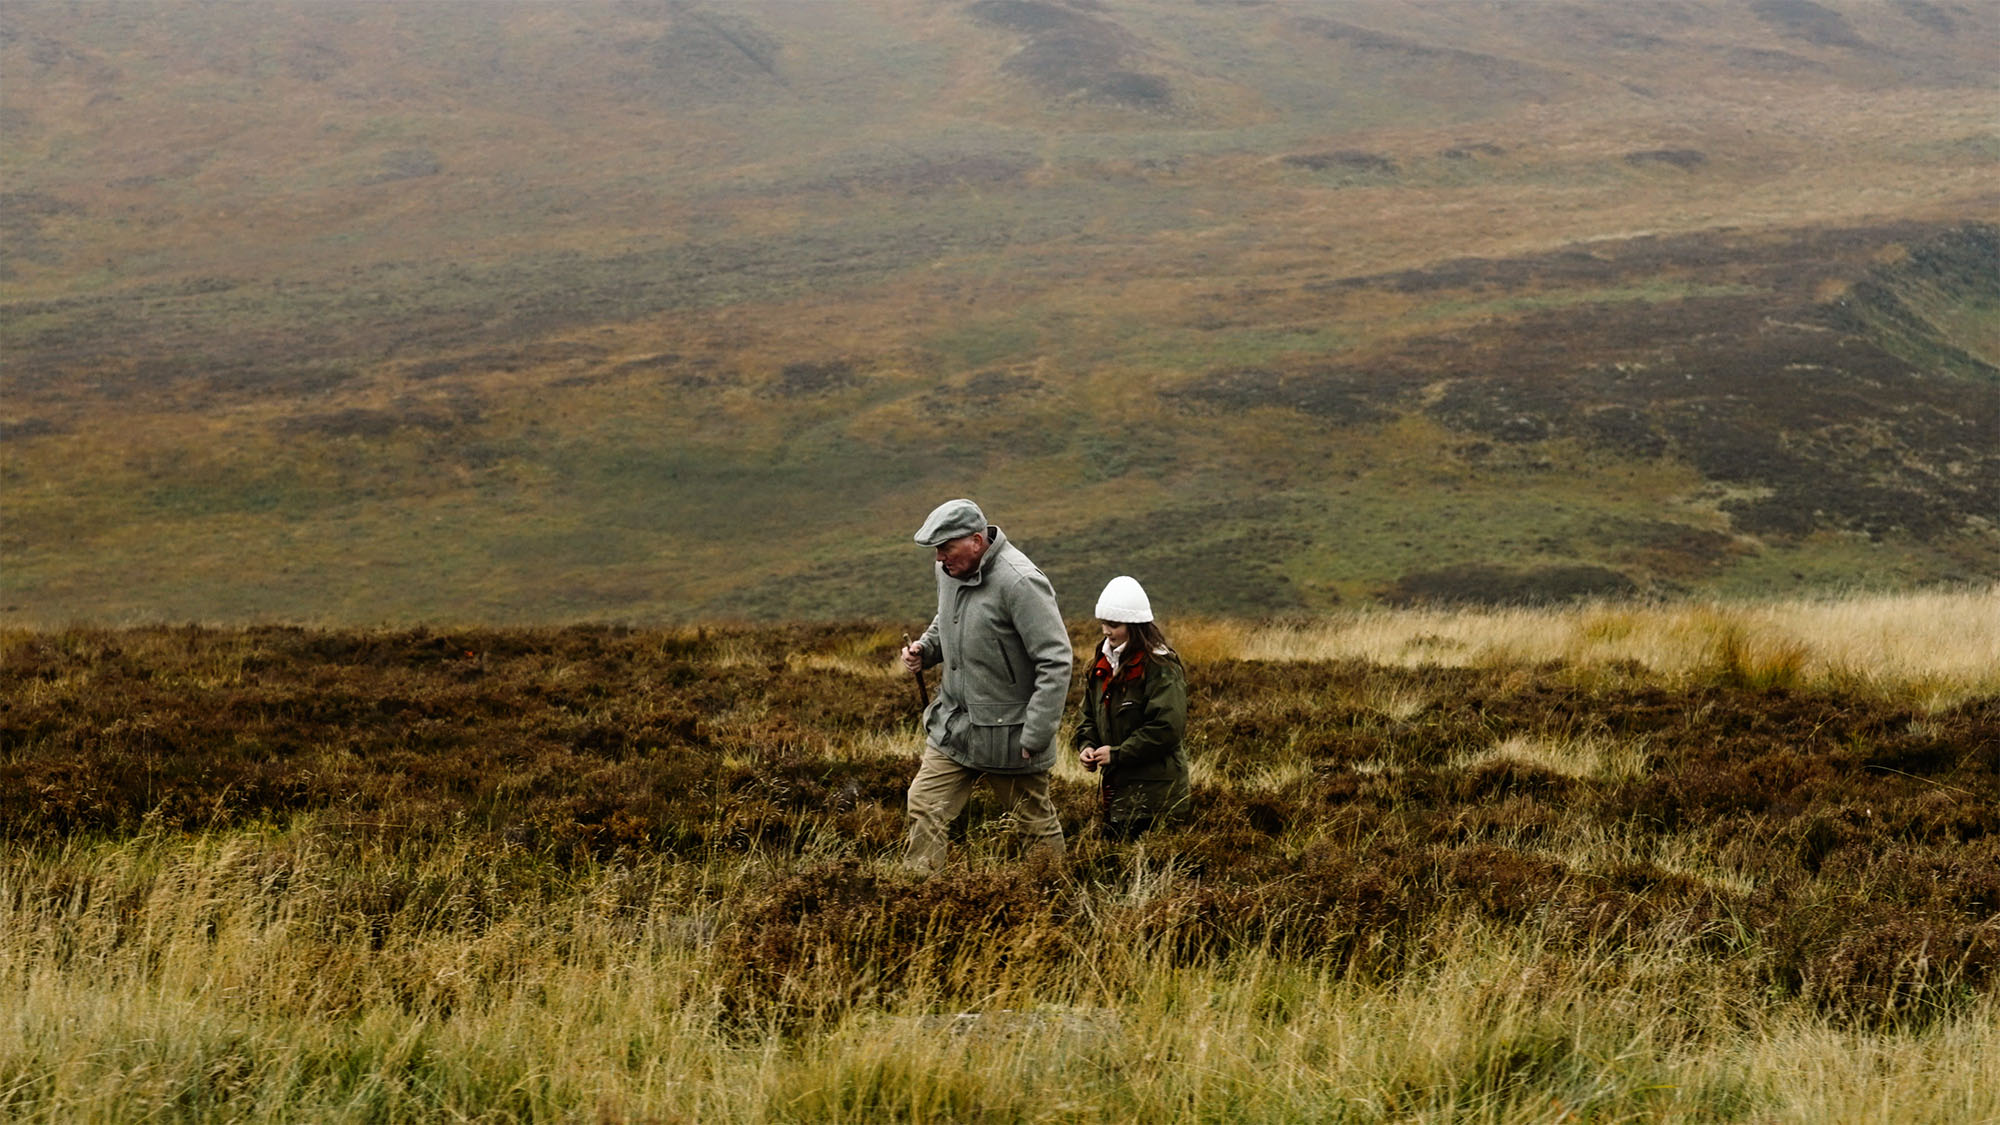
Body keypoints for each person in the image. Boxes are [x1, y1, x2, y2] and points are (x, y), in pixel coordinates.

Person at [897, 498, 1072, 874]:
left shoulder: (1021, 582)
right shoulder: (949, 571)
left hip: (1011, 735)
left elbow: (1055, 660)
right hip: (954, 727)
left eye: (946, 547)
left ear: (977, 541)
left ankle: (1055, 900)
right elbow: (949, 617)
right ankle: (918, 897)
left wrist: (1037, 732)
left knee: (1034, 825)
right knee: (925, 804)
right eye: (937, 550)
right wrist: (925, 649)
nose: (941, 557)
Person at [1074, 575, 1190, 838]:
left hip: (1158, 799)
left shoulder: (1161, 668)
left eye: (1114, 624)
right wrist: (1087, 746)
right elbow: (1087, 716)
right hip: (1117, 795)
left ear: (1135, 626)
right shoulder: (1100, 664)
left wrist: (1117, 754)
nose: (1106, 630)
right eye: (1103, 623)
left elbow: (1167, 729)